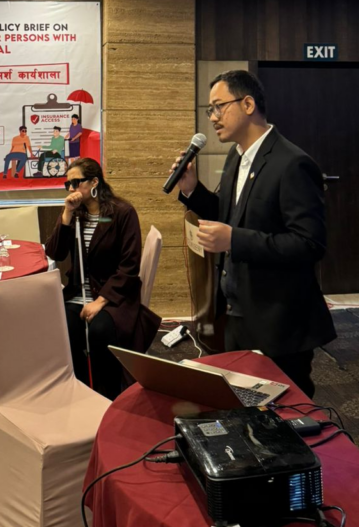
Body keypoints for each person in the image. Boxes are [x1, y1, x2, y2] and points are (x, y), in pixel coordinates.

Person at [173, 70, 335, 397]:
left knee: (287, 414)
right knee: (242, 405)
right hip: (237, 309)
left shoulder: (292, 164)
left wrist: (234, 239)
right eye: (210, 110)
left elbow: (309, 244)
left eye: (219, 107)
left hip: (279, 319)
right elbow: (230, 213)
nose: (213, 117)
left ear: (247, 104)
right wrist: (193, 191)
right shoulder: (237, 156)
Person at [45, 158, 160, 399]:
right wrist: (66, 214)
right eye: (67, 184)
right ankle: (79, 391)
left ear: (95, 182)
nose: (71, 189)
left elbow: (129, 266)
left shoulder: (122, 212)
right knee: (65, 326)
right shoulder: (76, 214)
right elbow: (55, 253)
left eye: (76, 183)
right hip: (79, 292)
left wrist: (101, 301)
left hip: (114, 295)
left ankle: (108, 394)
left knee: (99, 329)